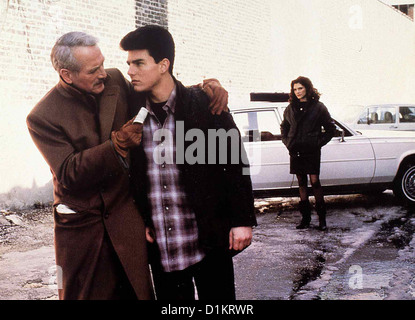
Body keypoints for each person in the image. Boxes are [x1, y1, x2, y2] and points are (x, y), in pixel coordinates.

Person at [26, 31, 228, 300]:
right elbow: (68, 172)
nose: (103, 73)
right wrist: (116, 145)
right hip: (82, 228)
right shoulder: (42, 117)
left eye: (102, 63)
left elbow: (159, 88)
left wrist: (203, 91)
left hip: (126, 220)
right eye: (93, 69)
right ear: (66, 74)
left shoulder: (115, 82)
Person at [120, 25, 257, 300]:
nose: (130, 71)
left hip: (207, 238)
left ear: (163, 65)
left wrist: (242, 220)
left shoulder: (204, 106)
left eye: (138, 63)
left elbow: (235, 166)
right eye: (128, 64)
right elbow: (139, 175)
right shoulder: (133, 113)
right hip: (163, 244)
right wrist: (145, 217)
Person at [280, 76, 335, 231]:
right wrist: (287, 141)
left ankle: (322, 219)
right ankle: (305, 219)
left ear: (307, 88)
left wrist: (317, 143)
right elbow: (284, 126)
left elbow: (331, 130)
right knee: (301, 184)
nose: (298, 92)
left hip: (311, 150)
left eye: (300, 88)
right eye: (295, 89)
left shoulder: (318, 107)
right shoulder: (290, 108)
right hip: (296, 149)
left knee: (315, 182)